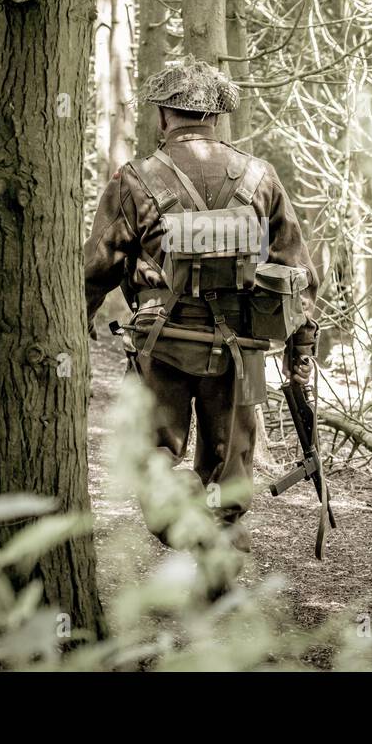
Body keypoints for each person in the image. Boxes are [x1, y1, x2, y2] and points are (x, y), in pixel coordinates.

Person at [84, 56, 318, 552]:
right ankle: (220, 558)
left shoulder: (134, 180)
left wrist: (76, 320)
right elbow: (296, 274)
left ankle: (180, 497)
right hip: (243, 351)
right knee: (230, 476)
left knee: (152, 457)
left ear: (165, 115)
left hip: (161, 343)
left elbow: (96, 267)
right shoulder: (261, 177)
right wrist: (301, 349)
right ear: (215, 116)